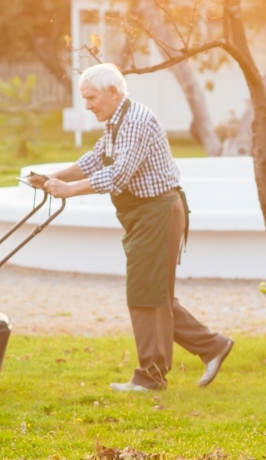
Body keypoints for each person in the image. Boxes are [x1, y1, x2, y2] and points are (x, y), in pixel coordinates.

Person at [31, 63, 233, 392]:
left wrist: (69, 190)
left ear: (113, 92)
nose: (88, 105)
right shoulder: (116, 121)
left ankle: (152, 376)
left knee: (146, 295)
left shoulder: (137, 120)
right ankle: (213, 346)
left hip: (157, 212)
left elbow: (118, 175)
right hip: (145, 214)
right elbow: (95, 159)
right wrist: (51, 177)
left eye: (92, 97)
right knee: (153, 293)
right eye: (85, 99)